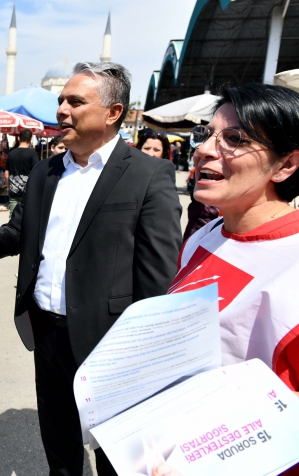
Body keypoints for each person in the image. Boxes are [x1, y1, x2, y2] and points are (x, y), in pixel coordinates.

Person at [0, 62, 182, 475]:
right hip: (47, 333)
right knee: (59, 440)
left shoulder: (147, 175)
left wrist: (145, 353)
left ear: (113, 113)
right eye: (60, 101)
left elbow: (157, 276)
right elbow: (18, 233)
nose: (62, 110)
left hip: (111, 342)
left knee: (118, 454)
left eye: (75, 102)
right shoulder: (46, 172)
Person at [159, 83, 299, 476]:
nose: (204, 149)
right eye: (207, 134)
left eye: (235, 139)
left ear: (286, 165)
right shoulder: (205, 236)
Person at [4, 128, 39, 218]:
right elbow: (36, 172)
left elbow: (6, 173)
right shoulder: (33, 154)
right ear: (31, 140)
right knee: (28, 216)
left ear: (19, 139)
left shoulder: (11, 154)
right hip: (28, 192)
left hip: (13, 191)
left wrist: (9, 187)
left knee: (12, 216)